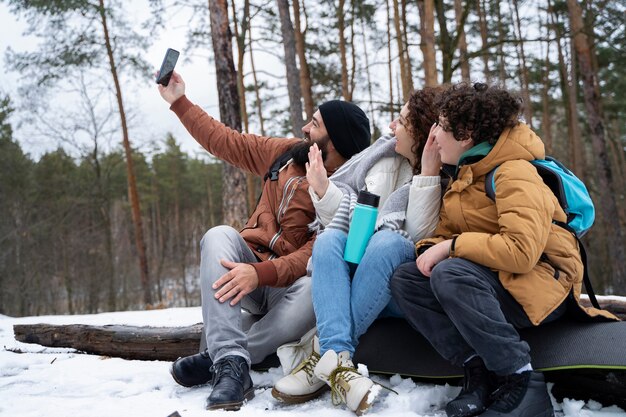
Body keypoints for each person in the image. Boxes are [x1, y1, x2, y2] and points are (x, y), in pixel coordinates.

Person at [389, 83, 617, 417]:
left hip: (542, 285)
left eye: (440, 126)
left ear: (465, 134)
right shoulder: (466, 174)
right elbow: (445, 233)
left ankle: (521, 381)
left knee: (451, 273)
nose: (433, 136)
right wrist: (431, 248)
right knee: (407, 279)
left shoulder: (514, 172)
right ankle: (478, 371)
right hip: (498, 280)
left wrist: (451, 248)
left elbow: (521, 251)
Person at [158, 71, 372, 411]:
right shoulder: (285, 154)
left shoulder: (347, 192)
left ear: (336, 145)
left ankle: (222, 356)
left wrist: (262, 274)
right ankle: (232, 366)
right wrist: (180, 102)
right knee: (218, 236)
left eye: (314, 125)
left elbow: (312, 255)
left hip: (288, 288)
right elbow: (227, 141)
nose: (304, 128)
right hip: (249, 267)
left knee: (310, 292)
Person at [271, 87, 445, 414]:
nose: (392, 126)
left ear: (421, 132)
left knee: (390, 241)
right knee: (329, 241)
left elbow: (418, 238)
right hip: (359, 264)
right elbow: (351, 223)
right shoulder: (382, 157)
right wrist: (323, 191)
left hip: (396, 285)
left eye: (402, 120)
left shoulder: (440, 170)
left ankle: (319, 354)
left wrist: (428, 173)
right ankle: (337, 361)